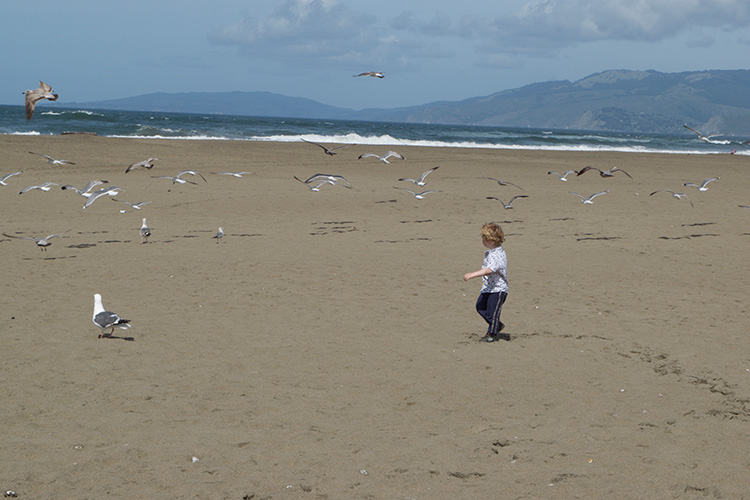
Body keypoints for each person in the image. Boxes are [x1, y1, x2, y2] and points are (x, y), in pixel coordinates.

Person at [463, 222, 509, 342]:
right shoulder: (492, 252)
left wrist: (472, 275)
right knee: (480, 307)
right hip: (488, 288)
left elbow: (489, 270)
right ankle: (497, 325)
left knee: (492, 313)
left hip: (498, 289)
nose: (482, 240)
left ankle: (492, 334)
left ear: (490, 240)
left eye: (484, 238)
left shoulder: (497, 254)